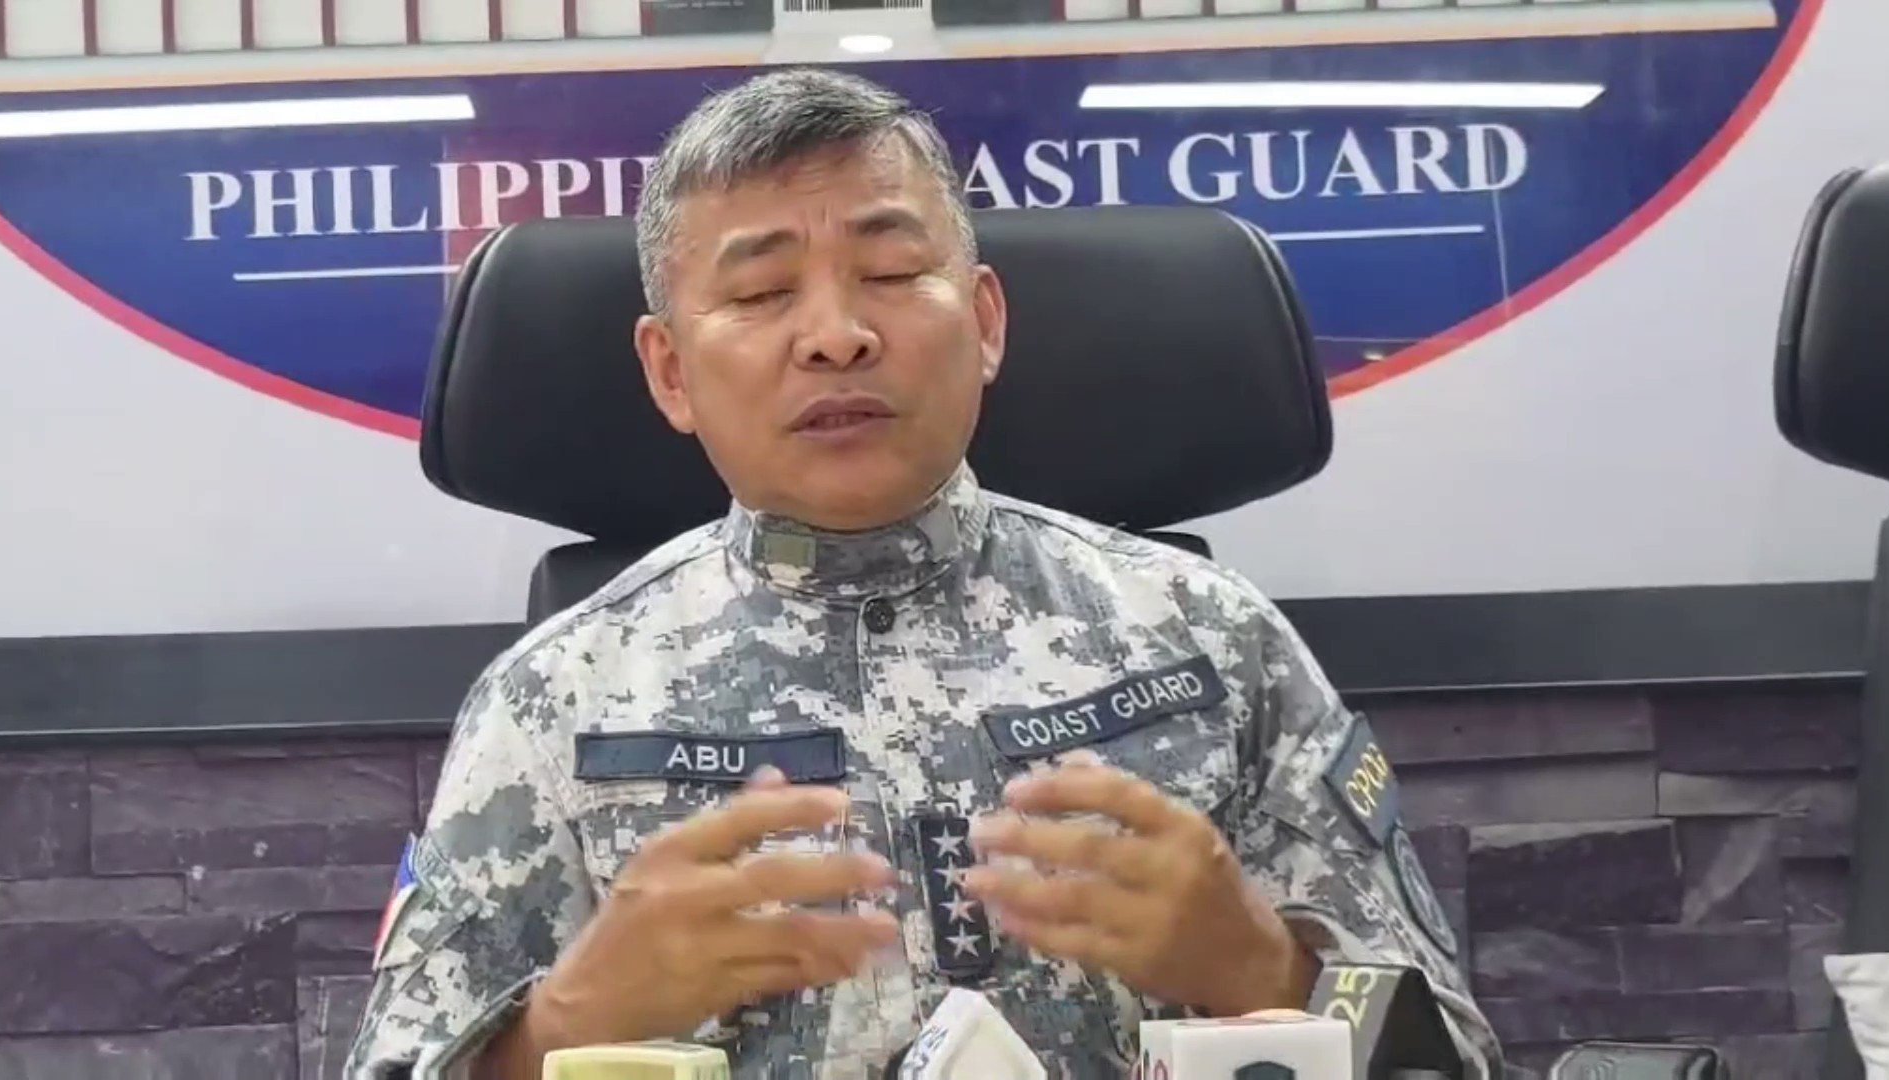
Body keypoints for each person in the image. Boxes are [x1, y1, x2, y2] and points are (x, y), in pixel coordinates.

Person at [344, 67, 1503, 1080]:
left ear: (985, 323)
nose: (837, 334)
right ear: (671, 374)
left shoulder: (1212, 642)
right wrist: (572, 1021)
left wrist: (1258, 964)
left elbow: (1452, 1060)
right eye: (760, 293)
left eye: (893, 271)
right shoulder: (554, 702)